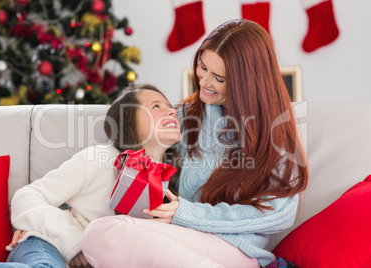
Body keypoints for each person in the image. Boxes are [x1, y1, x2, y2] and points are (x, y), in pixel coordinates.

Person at [80, 19, 308, 268]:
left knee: (99, 234)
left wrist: (185, 213)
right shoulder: (180, 116)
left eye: (219, 78)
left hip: (235, 250)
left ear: (247, 84)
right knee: (99, 234)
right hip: (178, 240)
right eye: (202, 66)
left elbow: (280, 214)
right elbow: (122, 156)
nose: (204, 82)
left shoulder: (274, 132)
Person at [0, 83, 181, 268]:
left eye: (170, 107)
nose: (171, 111)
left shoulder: (171, 181)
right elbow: (26, 197)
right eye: (156, 106)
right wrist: (74, 242)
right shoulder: (99, 159)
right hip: (48, 245)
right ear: (129, 123)